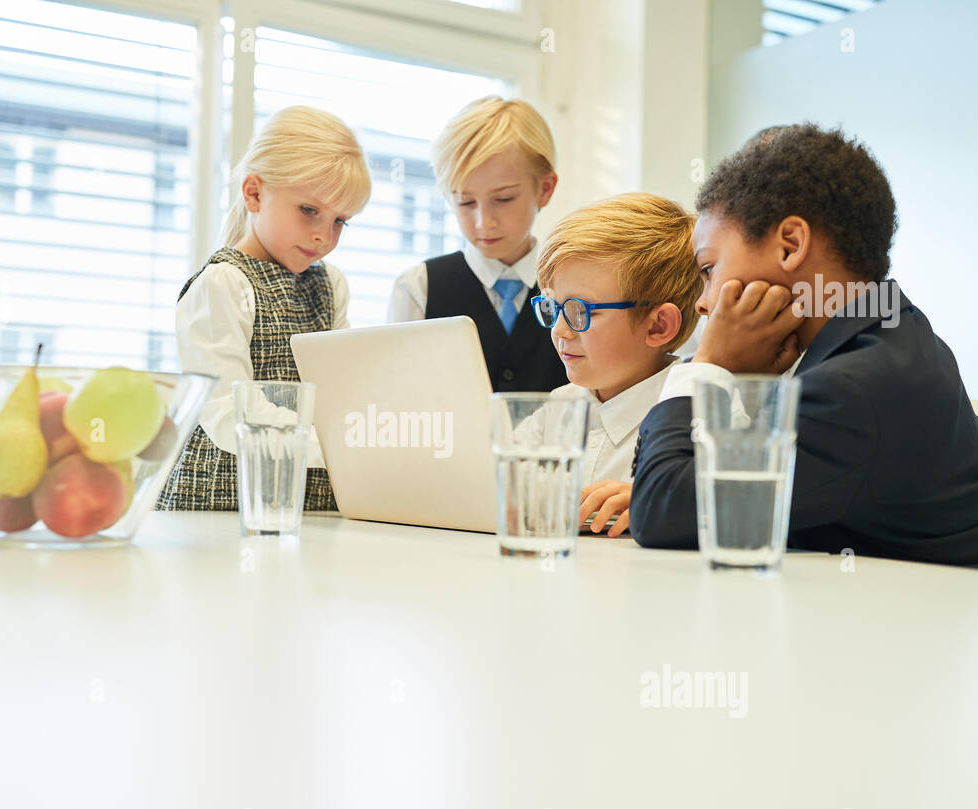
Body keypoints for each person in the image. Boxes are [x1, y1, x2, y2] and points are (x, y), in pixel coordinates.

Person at [627, 123, 978, 574]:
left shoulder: (856, 385)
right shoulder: (887, 330)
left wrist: (711, 365)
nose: (703, 300)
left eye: (708, 268)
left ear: (790, 245)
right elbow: (676, 496)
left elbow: (659, 510)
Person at [156, 106, 371, 512]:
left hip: (310, 501)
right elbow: (226, 412)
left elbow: (339, 390)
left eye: (341, 220)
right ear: (254, 193)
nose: (324, 236)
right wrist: (333, 448)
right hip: (227, 503)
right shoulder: (222, 284)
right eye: (309, 210)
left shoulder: (331, 284)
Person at [522, 193, 701, 537]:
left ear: (658, 326)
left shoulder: (697, 414)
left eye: (580, 312)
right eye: (552, 307)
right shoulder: (559, 405)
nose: (559, 330)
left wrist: (663, 503)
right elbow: (489, 486)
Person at [387, 96, 566, 392]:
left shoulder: (575, 287)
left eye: (504, 198)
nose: (484, 221)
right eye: (466, 202)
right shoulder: (418, 287)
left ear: (544, 189)